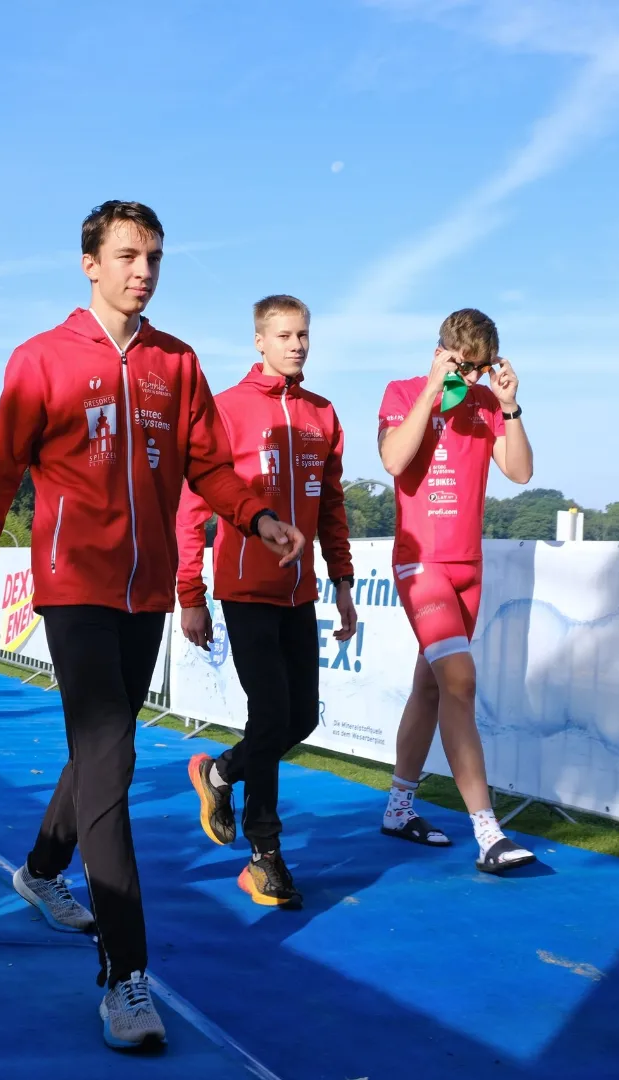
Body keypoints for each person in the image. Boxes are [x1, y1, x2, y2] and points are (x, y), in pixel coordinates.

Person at [0, 202, 304, 1051]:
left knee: (98, 754)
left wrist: (256, 517)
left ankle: (41, 871)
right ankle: (126, 977)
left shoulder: (176, 362)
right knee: (113, 761)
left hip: (145, 598)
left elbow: (210, 467)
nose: (143, 271)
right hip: (73, 589)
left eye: (154, 257)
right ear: (90, 264)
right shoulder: (41, 359)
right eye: (128, 255)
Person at [177, 294, 356, 908]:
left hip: (300, 593)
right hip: (244, 589)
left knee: (300, 718)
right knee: (272, 715)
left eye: (303, 334)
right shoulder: (226, 408)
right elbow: (193, 507)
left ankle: (219, 772)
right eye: (284, 335)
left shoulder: (323, 413)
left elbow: (332, 507)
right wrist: (191, 593)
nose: (296, 345)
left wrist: (342, 582)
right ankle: (265, 855)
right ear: (259, 340)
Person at [377, 308, 536, 874]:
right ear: (441, 353)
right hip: (420, 562)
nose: (469, 379)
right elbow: (394, 459)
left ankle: (398, 809)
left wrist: (509, 404)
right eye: (461, 367)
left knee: (431, 687)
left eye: (479, 369)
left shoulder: (487, 402)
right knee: (461, 682)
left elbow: (520, 472)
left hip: (469, 567)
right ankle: (488, 832)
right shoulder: (403, 391)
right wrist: (432, 389)